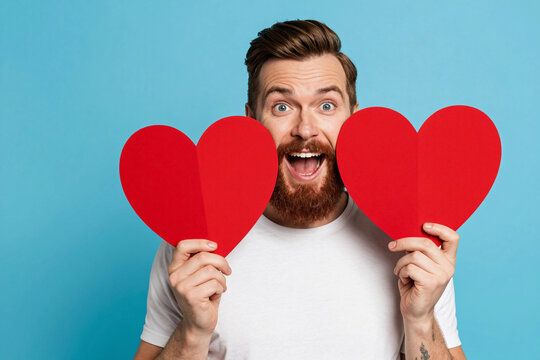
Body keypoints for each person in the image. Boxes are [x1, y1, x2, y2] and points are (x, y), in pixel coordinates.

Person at [133, 20, 467, 360]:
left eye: (326, 106)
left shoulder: (412, 241)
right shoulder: (194, 244)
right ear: (252, 122)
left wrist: (421, 319)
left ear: (353, 118)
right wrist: (193, 331)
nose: (305, 129)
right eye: (282, 106)